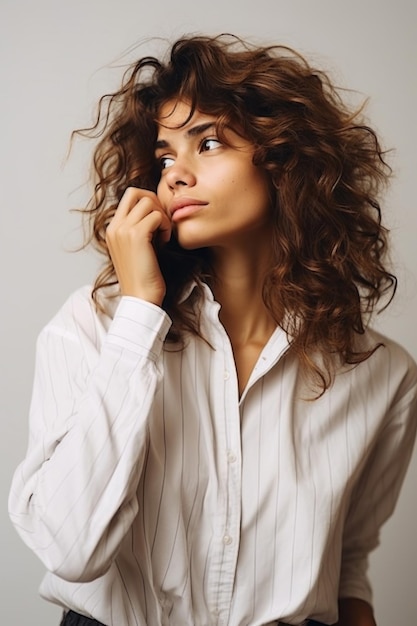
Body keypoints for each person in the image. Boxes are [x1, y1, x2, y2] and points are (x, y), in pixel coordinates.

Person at [8, 34, 417, 626]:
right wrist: (140, 316)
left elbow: (347, 565)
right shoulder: (94, 327)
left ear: (286, 159)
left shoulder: (381, 373)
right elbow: (71, 551)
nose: (176, 175)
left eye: (208, 142)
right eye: (167, 155)